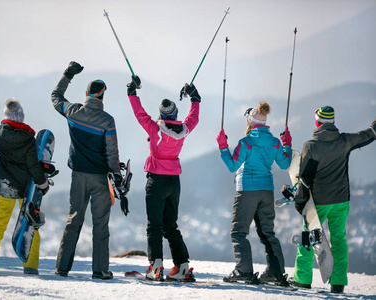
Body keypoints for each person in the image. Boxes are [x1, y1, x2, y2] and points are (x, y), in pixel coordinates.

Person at [52, 61, 127, 280]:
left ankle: (62, 268)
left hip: (78, 176)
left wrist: (67, 74)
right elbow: (112, 155)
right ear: (102, 96)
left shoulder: (73, 111)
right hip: (100, 180)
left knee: (73, 219)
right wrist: (119, 180)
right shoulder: (107, 121)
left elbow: (56, 96)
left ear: (87, 94)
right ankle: (100, 270)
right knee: (100, 224)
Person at [289, 106, 375, 294]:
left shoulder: (310, 146)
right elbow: (368, 135)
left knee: (309, 237)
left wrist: (300, 202)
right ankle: (338, 281)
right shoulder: (344, 141)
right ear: (333, 122)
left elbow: (304, 178)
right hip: (341, 200)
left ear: (317, 122)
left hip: (318, 202)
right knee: (339, 239)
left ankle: (302, 279)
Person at [126, 75, 200, 282]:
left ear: (161, 114)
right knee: (171, 225)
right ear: (175, 114)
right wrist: (195, 98)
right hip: (174, 181)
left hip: (156, 179)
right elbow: (193, 118)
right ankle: (182, 266)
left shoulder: (155, 128)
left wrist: (132, 92)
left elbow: (139, 114)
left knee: (154, 226)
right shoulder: (183, 130)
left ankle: (156, 266)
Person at [0, 88, 49, 275]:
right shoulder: (29, 139)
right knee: (30, 224)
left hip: (5, 185)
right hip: (25, 188)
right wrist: (42, 183)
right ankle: (30, 266)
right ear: (21, 117)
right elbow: (32, 164)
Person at [216, 101, 292, 285]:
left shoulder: (246, 142)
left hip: (247, 190)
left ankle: (243, 270)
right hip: (267, 189)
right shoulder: (274, 142)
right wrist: (286, 144)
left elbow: (232, 165)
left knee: (239, 232)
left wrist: (223, 147)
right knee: (267, 233)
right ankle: (275, 272)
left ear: (250, 122)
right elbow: (284, 164)